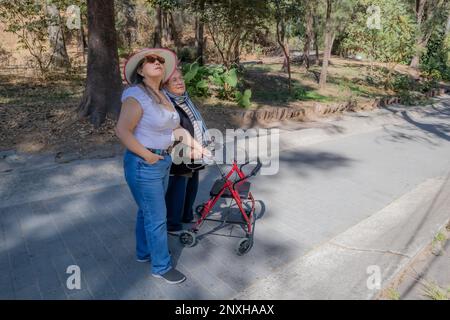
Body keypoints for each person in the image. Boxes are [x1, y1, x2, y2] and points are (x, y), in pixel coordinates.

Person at [115, 48, 209, 284]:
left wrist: (196, 146)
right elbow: (122, 131)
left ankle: (144, 253)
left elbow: (174, 129)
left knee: (146, 211)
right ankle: (161, 266)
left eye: (160, 60)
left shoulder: (162, 95)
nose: (157, 62)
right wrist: (147, 155)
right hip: (143, 164)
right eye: (150, 60)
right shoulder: (136, 95)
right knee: (157, 216)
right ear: (140, 70)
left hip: (162, 161)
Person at [163, 69, 210, 234]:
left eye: (180, 78)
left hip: (196, 148)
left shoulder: (185, 99)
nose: (179, 82)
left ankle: (186, 216)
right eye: (173, 80)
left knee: (192, 184)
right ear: (165, 86)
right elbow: (174, 129)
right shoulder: (168, 103)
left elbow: (195, 121)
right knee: (178, 187)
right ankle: (172, 224)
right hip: (181, 150)